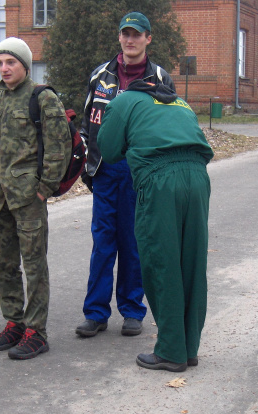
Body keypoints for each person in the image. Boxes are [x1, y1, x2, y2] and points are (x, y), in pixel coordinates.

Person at [97, 80, 214, 372]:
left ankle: (171, 351)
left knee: (161, 262)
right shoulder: (179, 102)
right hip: (198, 179)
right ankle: (189, 349)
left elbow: (109, 151)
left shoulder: (122, 103)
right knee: (192, 261)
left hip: (161, 180)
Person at [76, 12, 175, 338]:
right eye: (125, 34)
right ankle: (96, 313)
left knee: (135, 243)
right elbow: (86, 125)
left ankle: (133, 310)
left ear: (148, 38)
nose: (130, 40)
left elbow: (170, 126)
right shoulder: (101, 76)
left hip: (141, 173)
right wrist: (88, 168)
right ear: (119, 38)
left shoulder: (159, 78)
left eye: (137, 34)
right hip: (106, 171)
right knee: (103, 243)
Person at [0, 38, 71, 359]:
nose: (4, 68)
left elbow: (60, 146)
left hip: (29, 198)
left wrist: (45, 187)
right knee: (2, 265)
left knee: (33, 266)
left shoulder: (42, 98)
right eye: (0, 63)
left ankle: (36, 331)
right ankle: (14, 322)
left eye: (11, 62)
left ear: (25, 66)